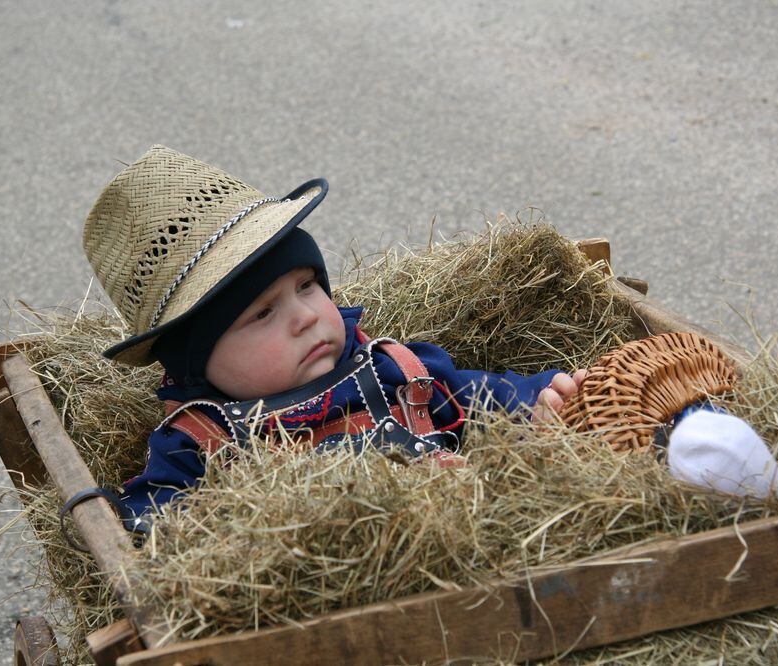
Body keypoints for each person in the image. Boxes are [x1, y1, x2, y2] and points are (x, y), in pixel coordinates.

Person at [82, 145, 587, 520]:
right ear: (199, 363)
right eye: (261, 315)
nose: (304, 316)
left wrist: (538, 405)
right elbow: (152, 519)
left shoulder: (395, 371)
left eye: (306, 285)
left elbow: (487, 399)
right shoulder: (203, 441)